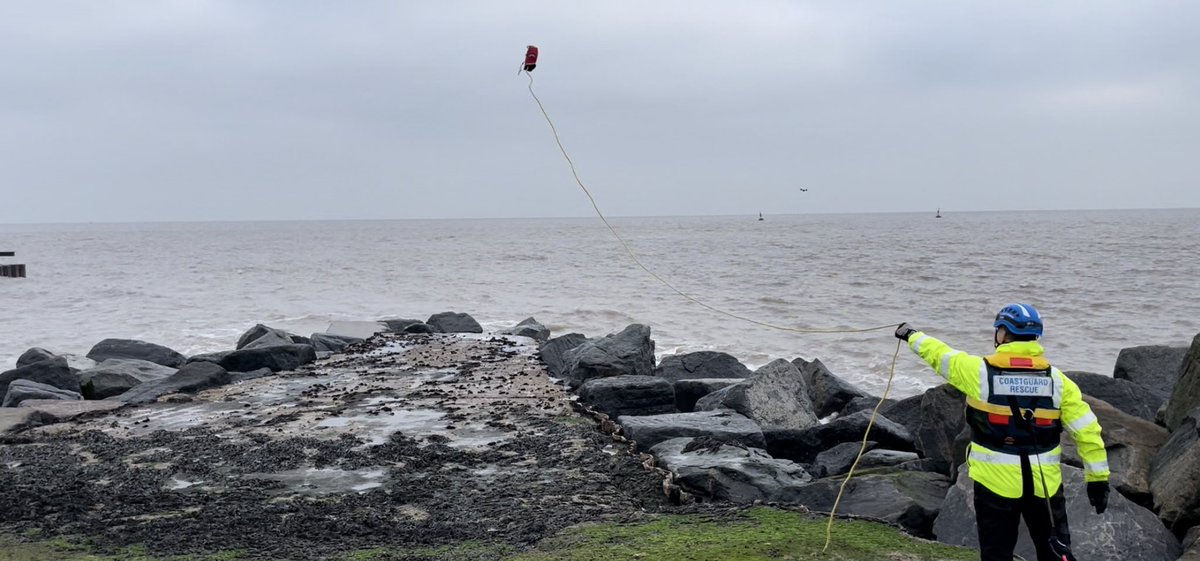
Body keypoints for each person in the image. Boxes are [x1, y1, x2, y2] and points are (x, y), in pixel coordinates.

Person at [894, 304, 1110, 561]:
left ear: (1003, 333)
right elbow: (1088, 432)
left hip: (994, 484)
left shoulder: (978, 372)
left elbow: (939, 354)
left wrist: (911, 335)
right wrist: (1098, 480)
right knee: (1055, 553)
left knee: (996, 555)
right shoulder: (1059, 382)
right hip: (1045, 486)